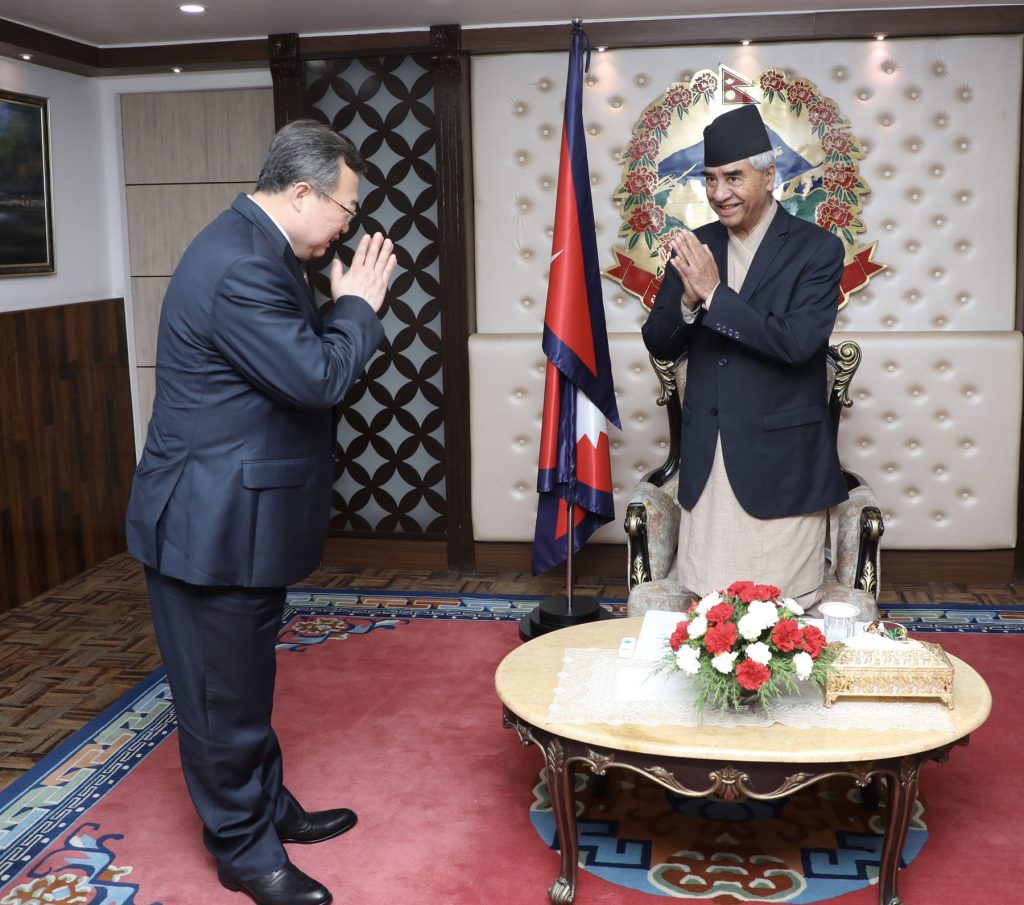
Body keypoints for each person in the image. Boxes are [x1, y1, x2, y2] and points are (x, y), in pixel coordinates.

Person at [125, 119, 397, 905]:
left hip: (234, 516)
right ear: (303, 191)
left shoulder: (259, 249)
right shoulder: (243, 264)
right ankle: (244, 850)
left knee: (242, 683)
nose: (349, 224)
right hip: (208, 524)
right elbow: (316, 378)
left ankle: (267, 806)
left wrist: (341, 304)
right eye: (345, 208)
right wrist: (358, 305)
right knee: (219, 699)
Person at [641, 104, 848, 610]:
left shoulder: (817, 250)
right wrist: (688, 303)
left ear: (769, 173)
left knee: (780, 622)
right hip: (709, 465)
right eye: (710, 179)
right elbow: (659, 341)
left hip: (781, 468)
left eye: (734, 177)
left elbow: (797, 345)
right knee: (709, 619)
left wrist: (714, 295)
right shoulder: (697, 245)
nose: (719, 193)